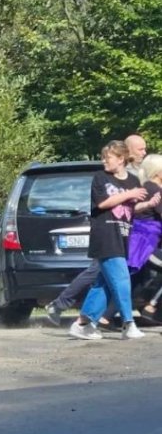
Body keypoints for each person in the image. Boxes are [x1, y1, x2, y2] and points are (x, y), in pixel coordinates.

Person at [69, 140, 149, 340]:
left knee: (103, 284)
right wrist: (129, 195)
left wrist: (146, 204)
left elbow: (130, 209)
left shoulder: (132, 180)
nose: (104, 161)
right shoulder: (100, 178)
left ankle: (83, 324)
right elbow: (103, 203)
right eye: (103, 157)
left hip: (122, 234)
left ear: (121, 159)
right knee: (121, 279)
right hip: (105, 235)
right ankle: (128, 323)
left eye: (108, 158)